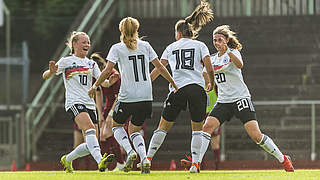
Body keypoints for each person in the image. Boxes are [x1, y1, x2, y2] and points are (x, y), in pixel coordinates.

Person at [195, 25, 294, 172]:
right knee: (206, 128)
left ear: (227, 40)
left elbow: (240, 65)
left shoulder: (233, 52)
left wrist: (227, 50)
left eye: (220, 40)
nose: (217, 43)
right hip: (223, 101)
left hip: (240, 99)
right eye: (214, 40)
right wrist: (210, 83)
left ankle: (283, 159)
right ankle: (196, 164)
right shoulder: (213, 58)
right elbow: (205, 73)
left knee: (256, 135)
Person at [88, 17, 178, 174]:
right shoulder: (146, 46)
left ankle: (130, 152)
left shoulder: (117, 48)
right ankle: (144, 159)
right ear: (137, 30)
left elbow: (107, 70)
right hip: (146, 96)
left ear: (121, 31)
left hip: (127, 96)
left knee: (116, 126)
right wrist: (173, 82)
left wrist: (95, 85)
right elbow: (160, 67)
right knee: (135, 131)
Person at [145, 0, 215, 173]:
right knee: (197, 129)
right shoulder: (200, 45)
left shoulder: (171, 47)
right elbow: (209, 67)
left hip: (177, 89)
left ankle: (147, 159)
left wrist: (145, 85)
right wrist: (211, 83)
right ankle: (195, 164)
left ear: (178, 33)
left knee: (162, 127)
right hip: (197, 89)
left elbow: (159, 69)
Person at [42, 31, 114, 173]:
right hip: (74, 102)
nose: (87, 44)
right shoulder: (66, 61)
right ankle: (101, 162)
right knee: (91, 130)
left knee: (90, 143)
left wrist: (109, 82)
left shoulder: (91, 64)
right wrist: (51, 72)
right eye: (84, 42)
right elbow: (45, 76)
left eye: (88, 42)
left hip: (90, 104)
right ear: (74, 44)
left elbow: (102, 83)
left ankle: (67, 159)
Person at [90, 53, 126, 171]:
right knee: (101, 137)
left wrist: (111, 114)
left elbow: (119, 96)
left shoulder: (114, 74)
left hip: (117, 104)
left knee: (106, 133)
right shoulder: (96, 76)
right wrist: (100, 113)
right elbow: (98, 93)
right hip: (107, 105)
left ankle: (121, 162)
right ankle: (104, 166)